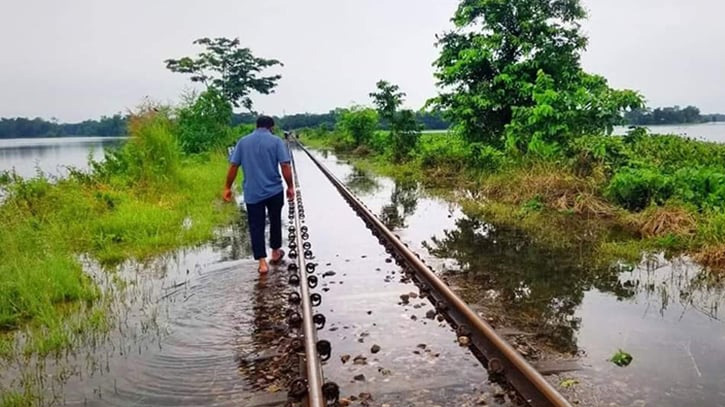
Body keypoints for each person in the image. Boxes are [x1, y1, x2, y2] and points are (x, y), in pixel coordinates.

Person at [223, 116, 295, 274]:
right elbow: (285, 165)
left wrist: (227, 187)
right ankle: (275, 252)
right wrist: (290, 187)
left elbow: (233, 166)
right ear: (272, 127)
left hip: (252, 192)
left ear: (256, 126)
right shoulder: (276, 141)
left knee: (256, 225)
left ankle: (262, 263)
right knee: (275, 219)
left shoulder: (243, 142)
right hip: (274, 190)